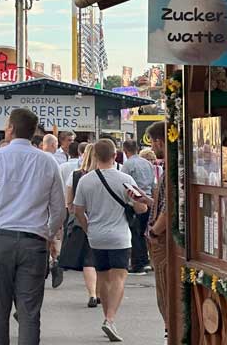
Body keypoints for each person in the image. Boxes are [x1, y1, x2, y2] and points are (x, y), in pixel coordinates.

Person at [0, 108, 66, 345]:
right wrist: (47, 234)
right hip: (34, 241)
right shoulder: (48, 161)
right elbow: (59, 209)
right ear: (33, 132)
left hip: (0, 240)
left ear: (11, 128)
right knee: (29, 312)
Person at [73, 138, 151, 342]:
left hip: (96, 236)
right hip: (119, 236)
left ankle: (108, 318)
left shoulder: (85, 180)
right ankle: (110, 319)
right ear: (115, 155)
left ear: (95, 155)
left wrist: (88, 228)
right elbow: (141, 208)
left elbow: (78, 210)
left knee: (103, 278)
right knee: (119, 277)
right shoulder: (125, 179)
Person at [66, 143, 101, 307]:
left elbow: (70, 203)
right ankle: (99, 293)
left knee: (88, 260)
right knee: (101, 259)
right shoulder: (110, 174)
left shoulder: (75, 175)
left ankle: (92, 294)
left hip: (82, 222)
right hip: (105, 221)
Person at [144, 122, 169, 337]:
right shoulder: (170, 169)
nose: (152, 147)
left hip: (163, 241)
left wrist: (154, 232)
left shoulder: (172, 171)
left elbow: (170, 210)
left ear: (160, 142)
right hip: (161, 239)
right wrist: (146, 200)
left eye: (152, 142)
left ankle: (170, 331)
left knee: (165, 291)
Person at [121, 138, 155, 274]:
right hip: (148, 199)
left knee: (135, 233)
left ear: (125, 151)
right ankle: (146, 260)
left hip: (134, 201)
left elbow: (124, 184)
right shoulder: (147, 164)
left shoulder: (128, 165)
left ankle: (138, 263)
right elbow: (153, 183)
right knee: (144, 233)